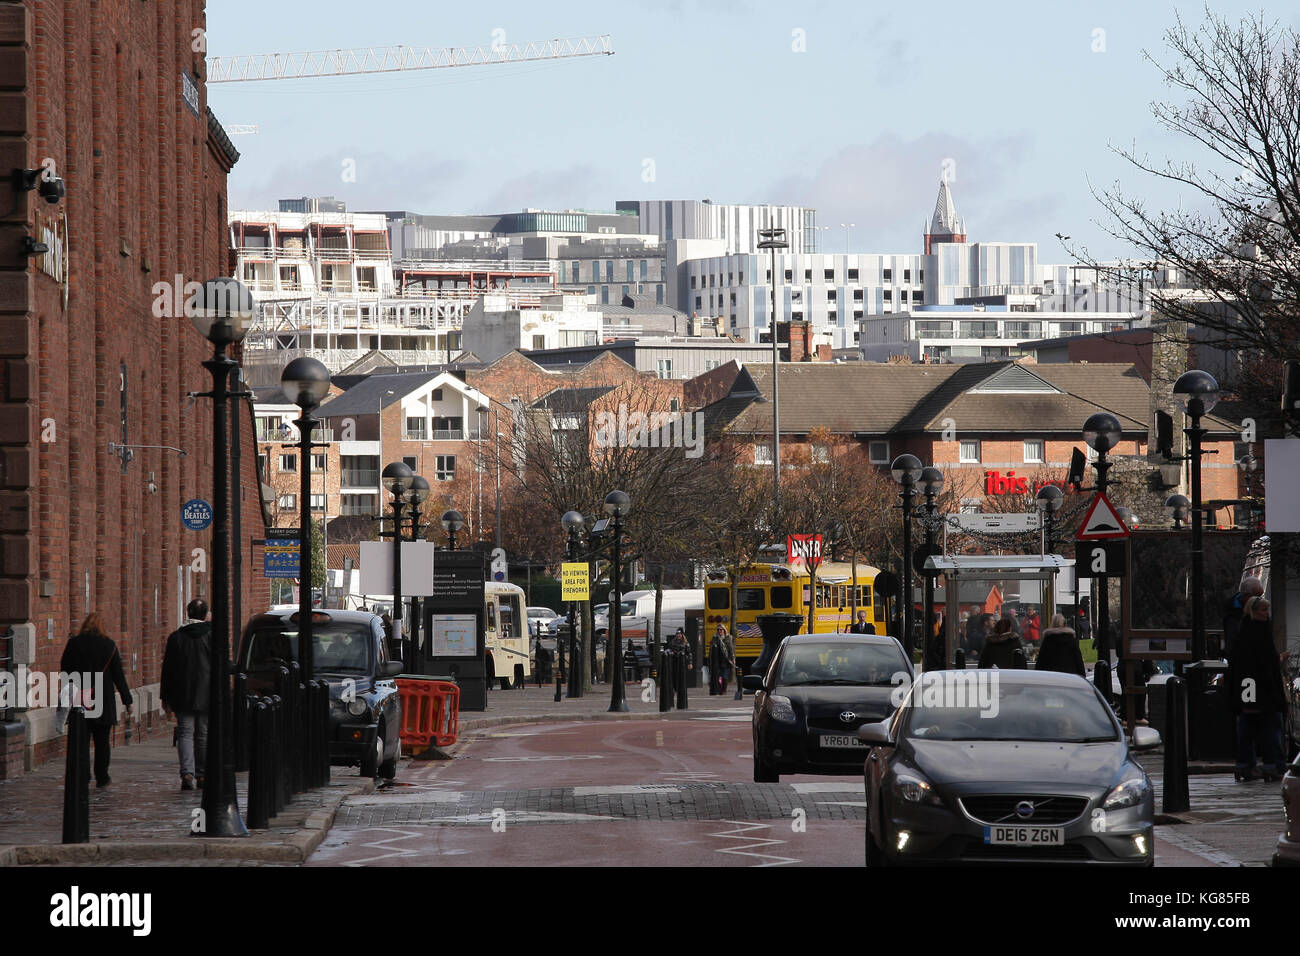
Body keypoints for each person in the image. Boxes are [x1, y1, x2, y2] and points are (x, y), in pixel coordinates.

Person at [60, 613, 133, 789]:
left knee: (81, 741)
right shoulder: (109, 646)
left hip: (81, 698)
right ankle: (102, 776)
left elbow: (65, 670)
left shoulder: (74, 644)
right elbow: (118, 676)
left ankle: (83, 775)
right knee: (102, 742)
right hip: (103, 699)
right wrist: (127, 700)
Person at [1227, 596, 1288, 782]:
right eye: (1263, 610)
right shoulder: (1261, 632)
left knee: (1248, 726)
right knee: (1271, 726)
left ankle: (1244, 765)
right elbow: (1266, 662)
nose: (1266, 613)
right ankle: (1273, 765)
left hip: (1248, 687)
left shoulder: (1242, 631)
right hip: (1263, 688)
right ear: (1254, 611)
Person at [160, 599, 212, 791]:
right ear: (205, 614)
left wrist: (165, 696)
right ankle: (202, 773)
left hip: (182, 694)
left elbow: (168, 669)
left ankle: (187, 773)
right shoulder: (212, 636)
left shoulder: (176, 638)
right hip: (206, 693)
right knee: (203, 735)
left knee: (185, 733)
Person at [1222, 576, 1264, 657]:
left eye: (1260, 597)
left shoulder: (1259, 609)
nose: (1259, 600)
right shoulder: (1232, 615)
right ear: (1246, 595)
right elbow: (1231, 644)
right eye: (1257, 597)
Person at [709, 624, 735, 695]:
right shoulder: (715, 638)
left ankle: (724, 689)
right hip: (717, 659)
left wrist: (732, 659)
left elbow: (731, 649)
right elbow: (711, 649)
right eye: (718, 630)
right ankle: (719, 689)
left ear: (724, 630)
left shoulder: (728, 638)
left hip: (726, 659)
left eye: (721, 629)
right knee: (718, 675)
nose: (720, 631)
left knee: (725, 675)